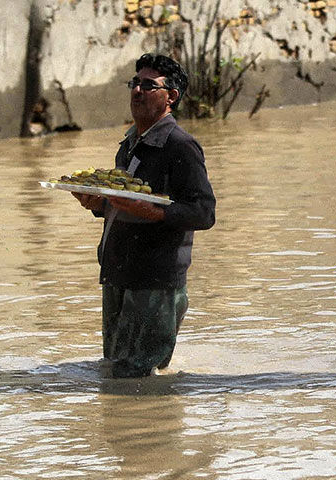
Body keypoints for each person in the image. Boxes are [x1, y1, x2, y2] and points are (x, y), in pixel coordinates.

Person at [72, 53, 216, 378]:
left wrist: (152, 211)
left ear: (171, 97)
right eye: (135, 83)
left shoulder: (181, 146)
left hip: (155, 283)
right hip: (118, 276)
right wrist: (97, 204)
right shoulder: (129, 144)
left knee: (137, 381)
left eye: (149, 85)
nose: (137, 91)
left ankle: (152, 429)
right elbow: (125, 204)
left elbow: (204, 212)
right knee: (115, 372)